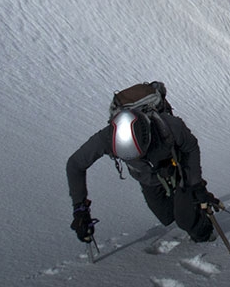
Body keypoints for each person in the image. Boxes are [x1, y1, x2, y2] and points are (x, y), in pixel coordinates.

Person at [66, 85, 220, 244]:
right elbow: (75, 164)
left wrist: (195, 184)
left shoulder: (168, 125)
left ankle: (205, 235)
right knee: (166, 215)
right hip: (147, 177)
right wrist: (80, 208)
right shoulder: (107, 137)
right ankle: (185, 206)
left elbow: (190, 146)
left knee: (185, 218)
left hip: (175, 168)